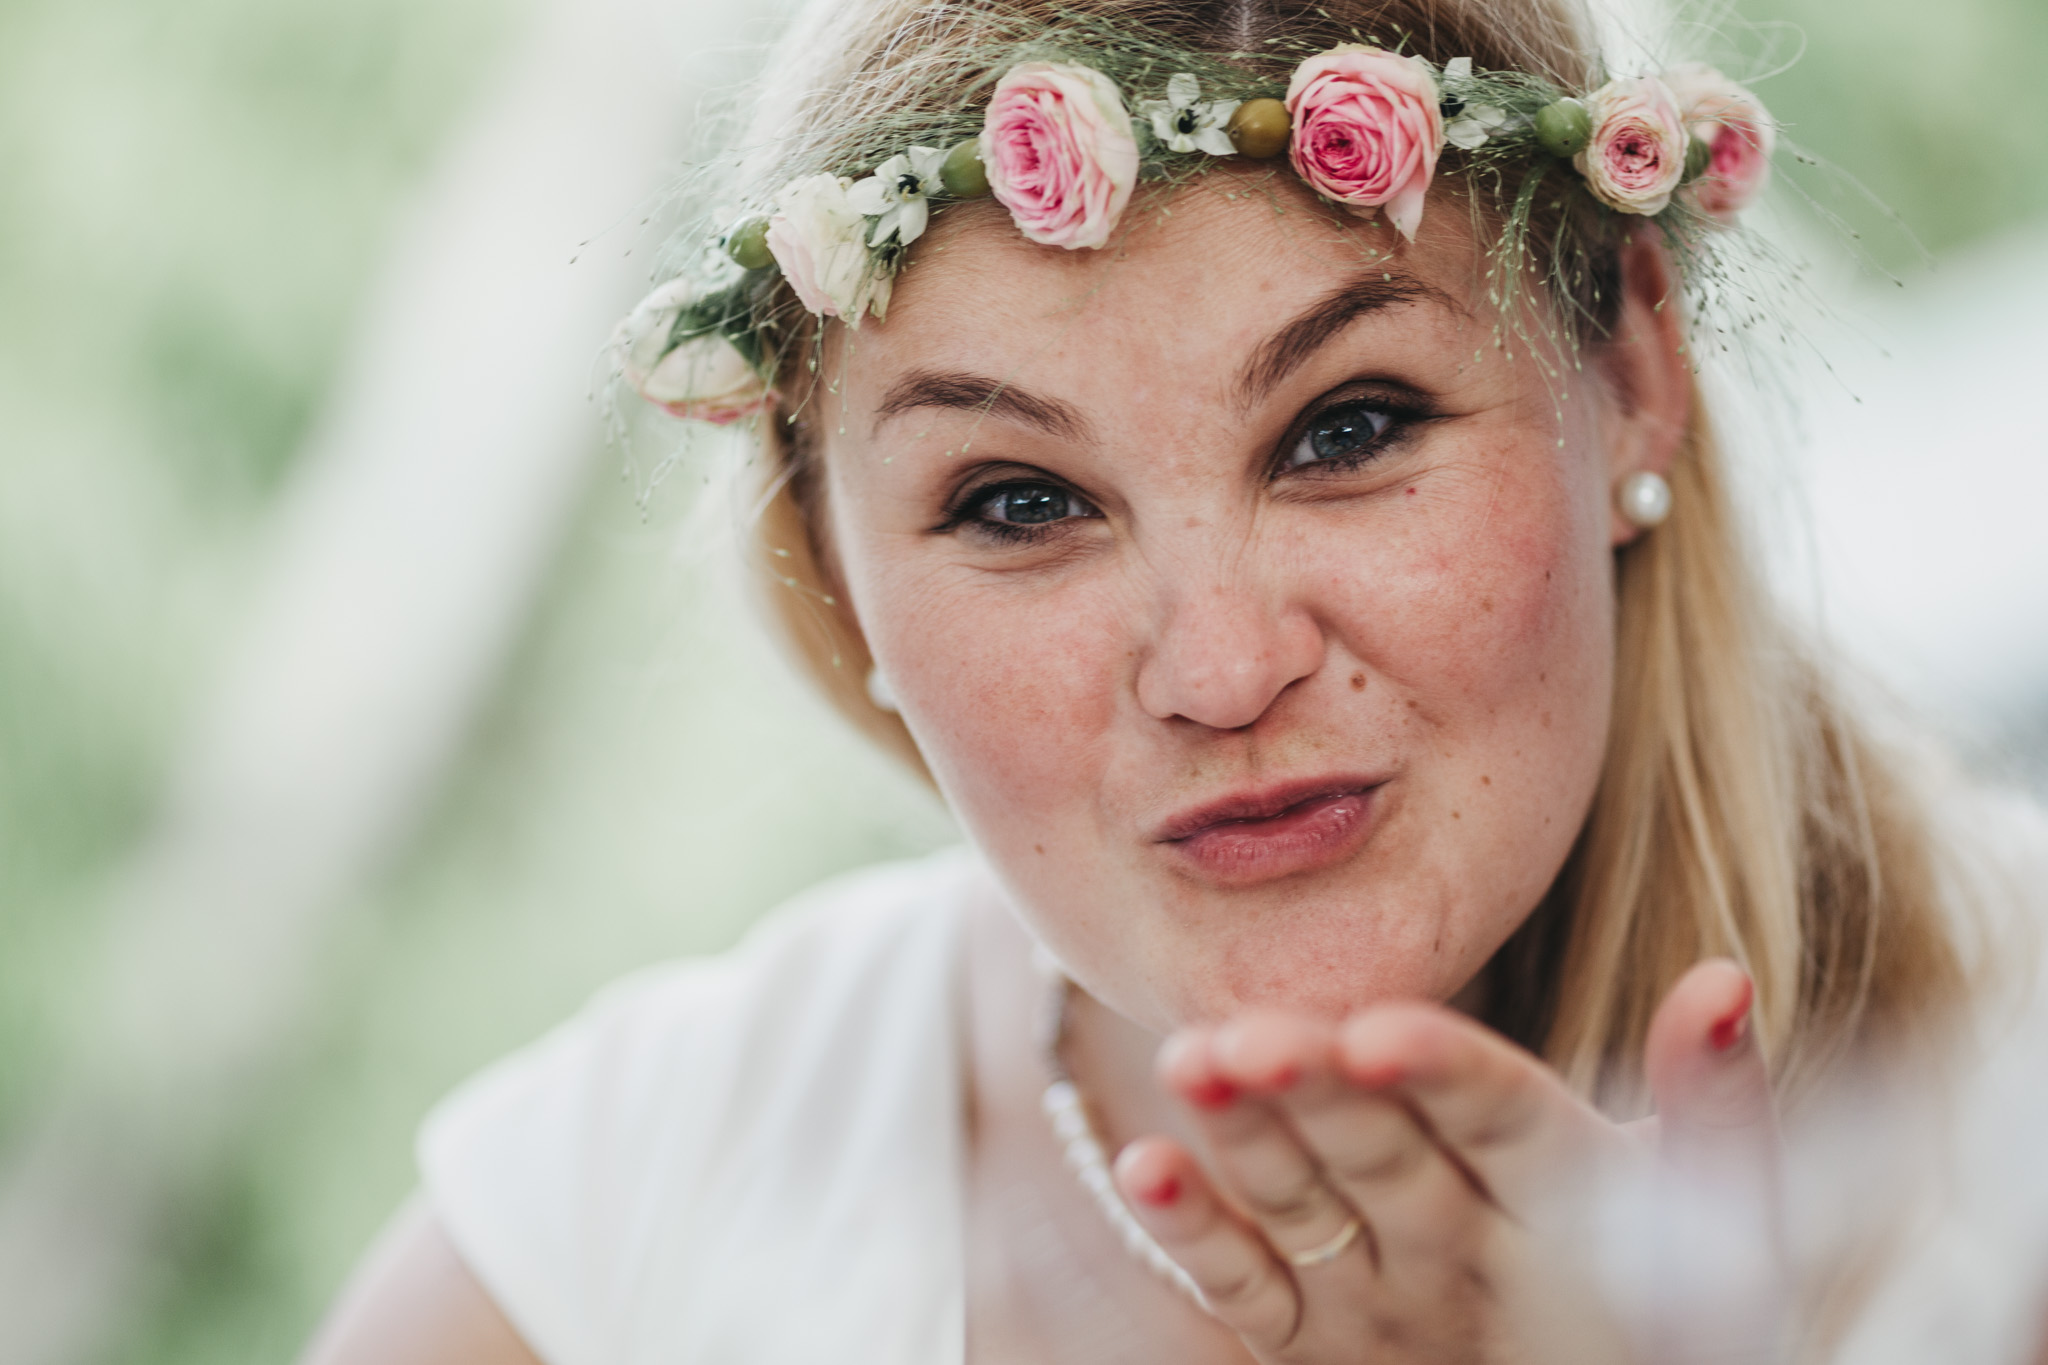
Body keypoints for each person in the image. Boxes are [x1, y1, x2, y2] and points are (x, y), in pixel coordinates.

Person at [300, 0, 2045, 1361]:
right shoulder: (618, 1215)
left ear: (1635, 370)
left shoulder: (2012, 1115)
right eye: (1021, 500)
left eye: (1349, 427)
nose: (1220, 670)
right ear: (836, 569)